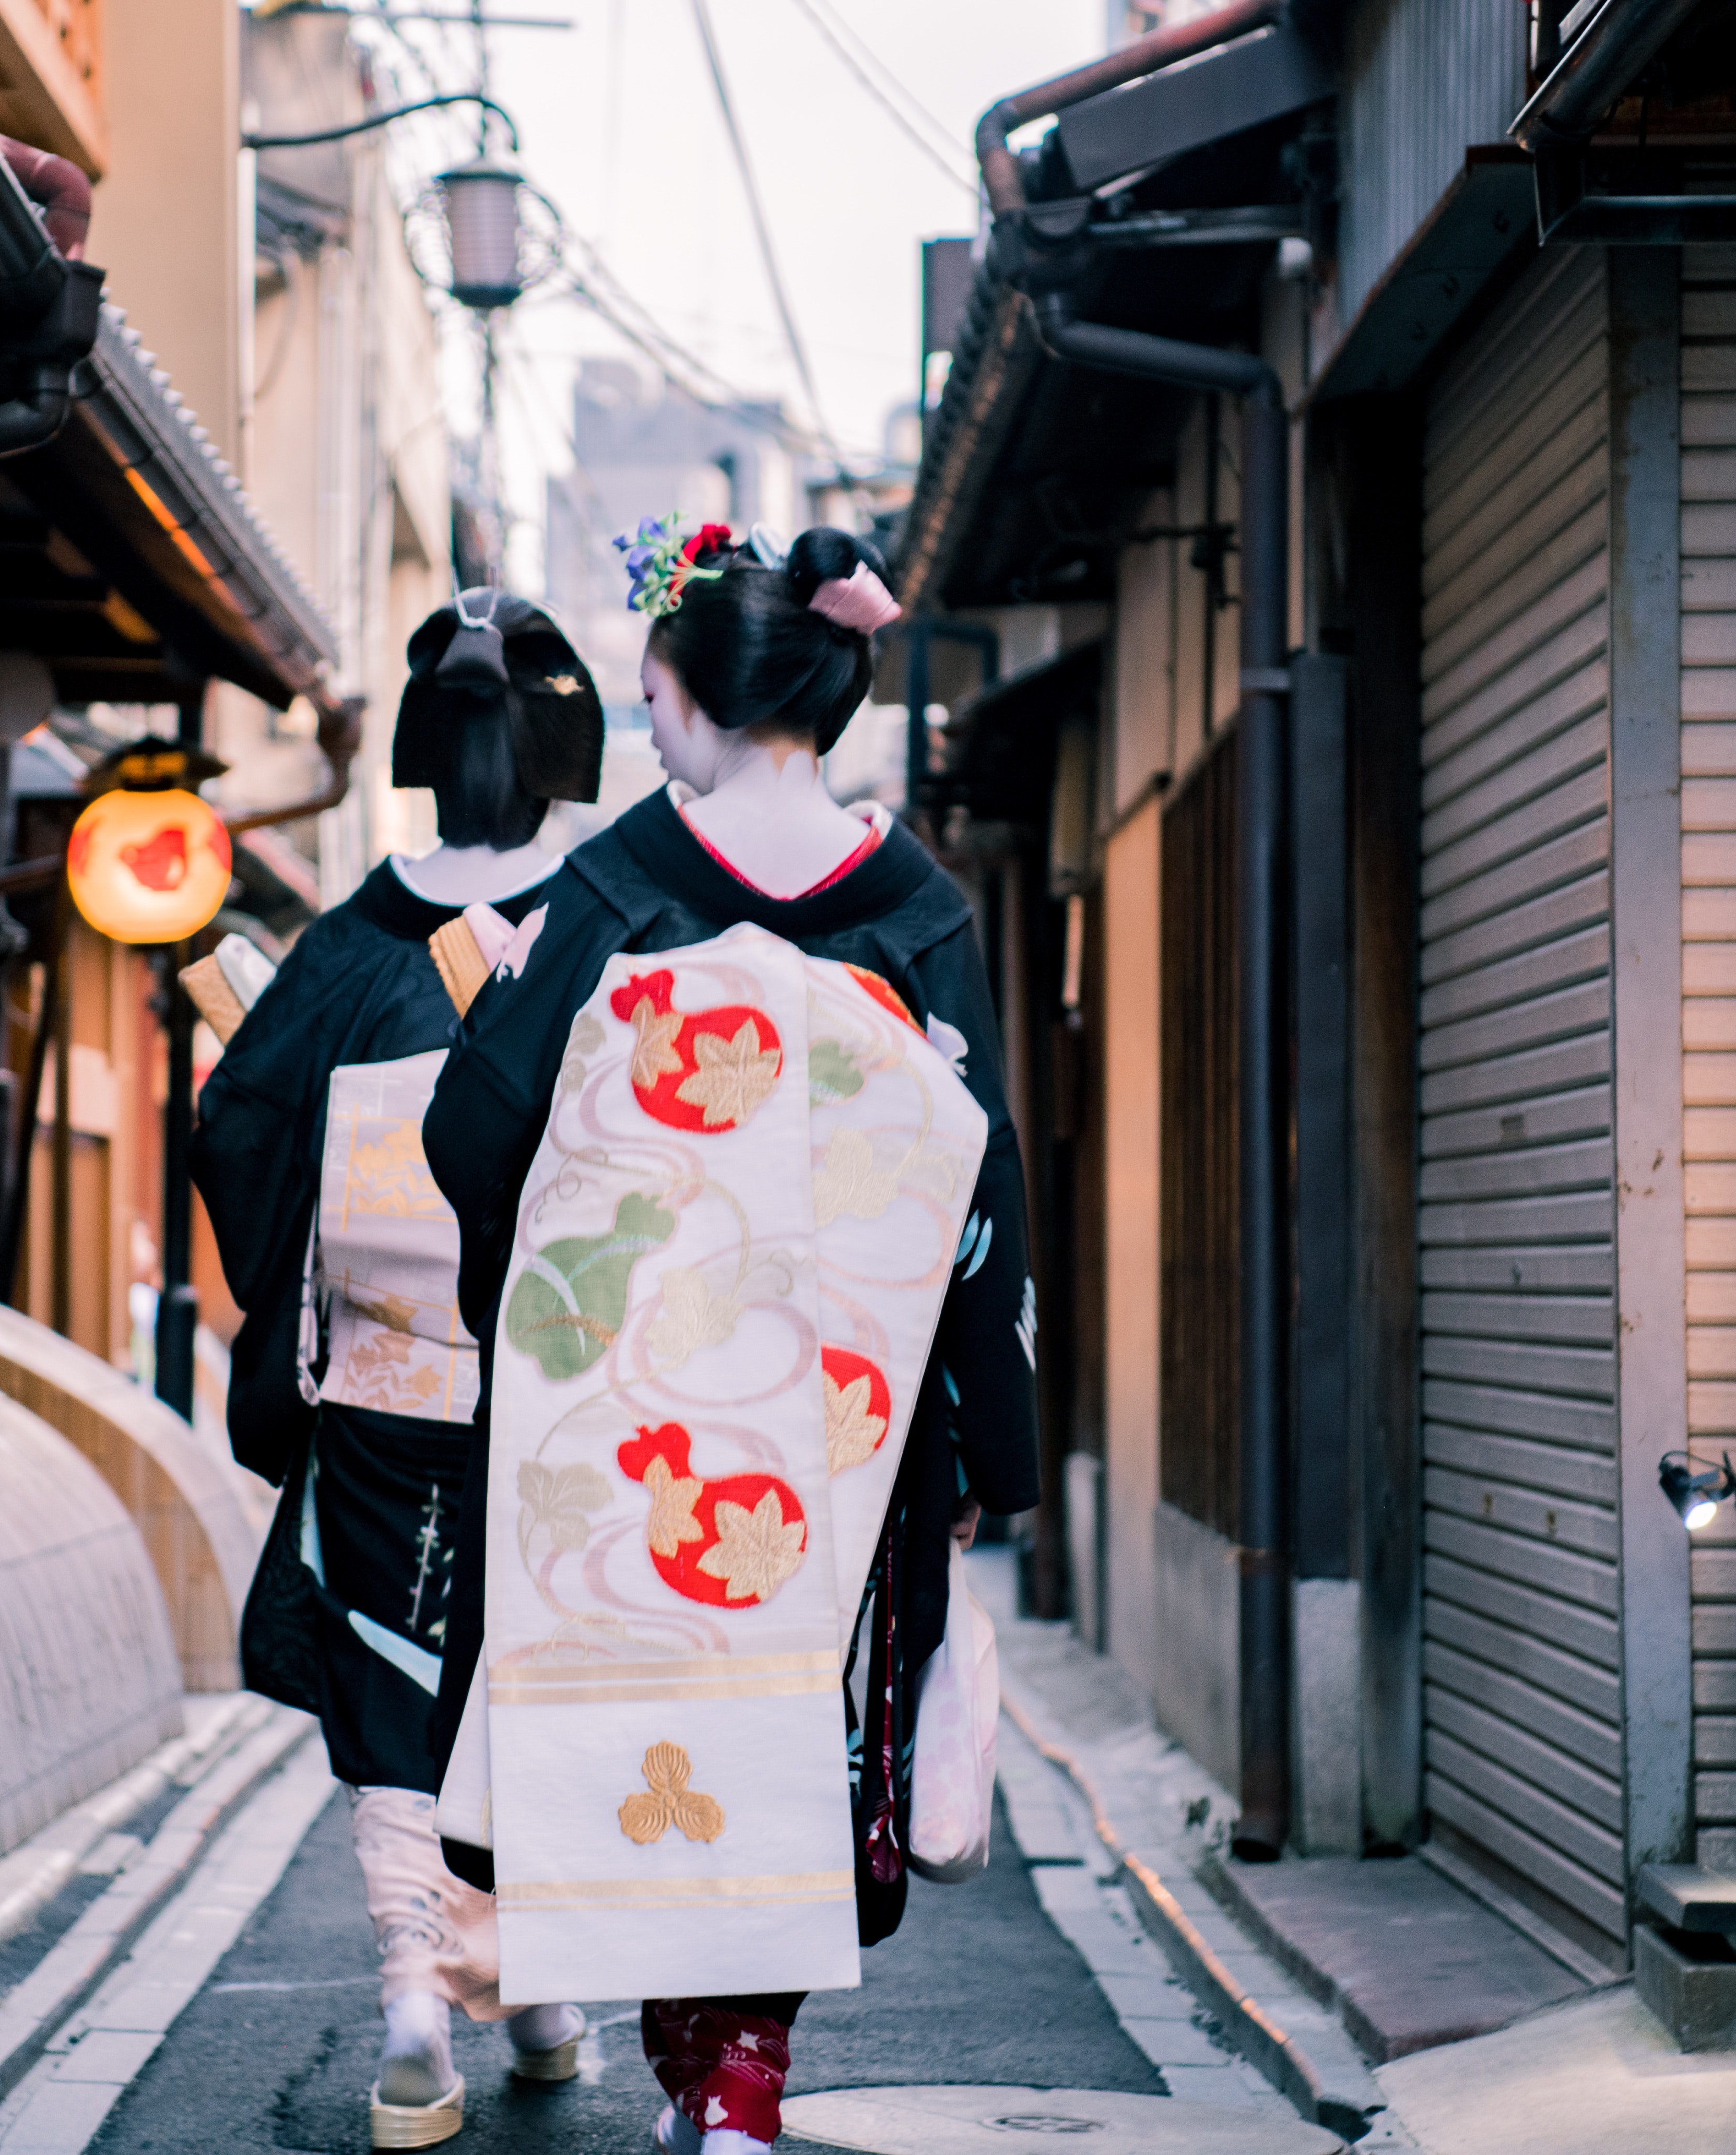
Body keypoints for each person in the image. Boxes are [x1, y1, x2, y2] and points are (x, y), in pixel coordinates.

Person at [419, 523, 1041, 2155]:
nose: (647, 721)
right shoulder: (913, 908)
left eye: (648, 691)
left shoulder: (621, 885)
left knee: (633, 1730)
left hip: (627, 1414)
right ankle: (742, 2079)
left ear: (693, 696)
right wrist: (989, 1434)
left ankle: (713, 2074)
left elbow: (480, 1136)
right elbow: (981, 1191)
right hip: (842, 1424)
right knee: (797, 1728)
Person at [192, 590, 605, 2150]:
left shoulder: (351, 944)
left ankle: (416, 2011)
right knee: (536, 1679)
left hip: (381, 1388)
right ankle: (546, 1990)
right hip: (565, 1389)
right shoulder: (614, 916)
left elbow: (236, 1126)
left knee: (391, 1679)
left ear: (421, 752)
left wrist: (305, 1276)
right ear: (568, 743)